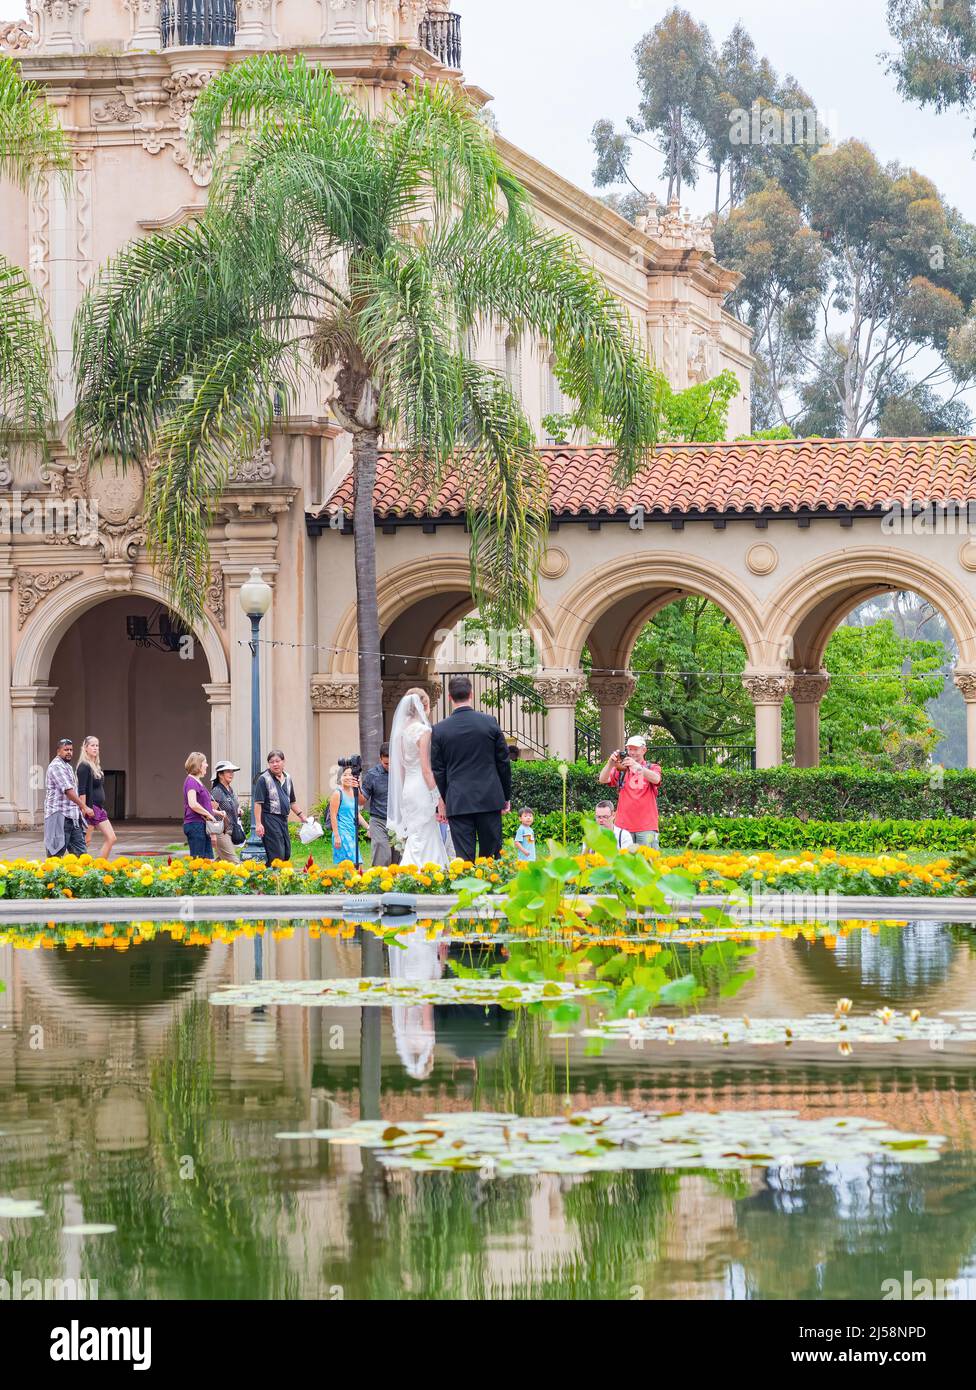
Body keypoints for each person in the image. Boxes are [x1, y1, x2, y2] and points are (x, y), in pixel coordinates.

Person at [430, 674, 511, 862]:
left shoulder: (440, 729)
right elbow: (503, 762)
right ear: (471, 694)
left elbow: (439, 770)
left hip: (458, 800)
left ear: (449, 697)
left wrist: (443, 799)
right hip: (489, 797)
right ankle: (490, 890)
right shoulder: (489, 722)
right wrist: (505, 796)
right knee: (491, 857)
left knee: (464, 858)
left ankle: (468, 888)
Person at [387, 688, 454, 867]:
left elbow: (400, 768)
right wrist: (438, 798)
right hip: (422, 787)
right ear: (424, 706)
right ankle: (426, 870)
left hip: (408, 787)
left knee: (416, 833)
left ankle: (413, 870)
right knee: (426, 831)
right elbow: (426, 769)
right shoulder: (423, 731)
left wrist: (401, 793)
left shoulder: (400, 731)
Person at [598, 734, 663, 847]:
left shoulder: (652, 767)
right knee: (623, 862)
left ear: (644, 750)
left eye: (635, 749)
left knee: (648, 861)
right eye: (629, 749)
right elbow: (603, 779)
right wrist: (610, 763)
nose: (632, 752)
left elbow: (656, 779)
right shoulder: (621, 770)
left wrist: (637, 767)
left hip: (647, 826)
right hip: (623, 826)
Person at [252, 749, 307, 865]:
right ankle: (274, 878)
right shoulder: (263, 779)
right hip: (269, 819)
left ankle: (269, 873)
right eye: (272, 762)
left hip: (283, 820)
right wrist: (258, 823)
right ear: (269, 764)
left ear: (283, 762)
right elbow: (258, 803)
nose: (275, 764)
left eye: (277, 761)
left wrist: (302, 816)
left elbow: (292, 802)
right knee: (277, 853)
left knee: (286, 852)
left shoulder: (288, 778)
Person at [44, 737, 94, 857]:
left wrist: (79, 812)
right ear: (58, 751)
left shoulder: (67, 766)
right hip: (58, 817)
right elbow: (68, 791)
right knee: (55, 856)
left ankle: (82, 875)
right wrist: (84, 807)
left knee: (82, 856)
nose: (69, 752)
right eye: (66, 750)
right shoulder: (56, 766)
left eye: (71, 750)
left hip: (72, 817)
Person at [76, 734, 117, 859]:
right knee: (85, 842)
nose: (95, 748)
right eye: (92, 745)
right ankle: (79, 869)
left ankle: (99, 867)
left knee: (111, 838)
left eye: (97, 745)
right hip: (91, 808)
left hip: (98, 808)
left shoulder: (95, 766)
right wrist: (84, 810)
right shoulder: (84, 766)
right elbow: (81, 790)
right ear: (85, 748)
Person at [361, 742, 399, 868]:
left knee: (397, 860)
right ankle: (378, 885)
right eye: (386, 763)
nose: (389, 766)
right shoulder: (372, 775)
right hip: (378, 821)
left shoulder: (401, 773)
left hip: (398, 821)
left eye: (391, 763)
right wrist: (356, 789)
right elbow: (362, 800)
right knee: (382, 856)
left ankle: (395, 887)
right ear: (380, 759)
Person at [183, 752, 222, 859]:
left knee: (206, 861)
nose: (207, 765)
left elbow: (203, 806)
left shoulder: (197, 781)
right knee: (199, 862)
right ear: (198, 765)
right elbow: (193, 804)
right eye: (205, 762)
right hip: (195, 825)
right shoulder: (191, 781)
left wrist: (217, 812)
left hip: (201, 825)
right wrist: (209, 815)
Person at [329, 764, 366, 864]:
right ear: (340, 778)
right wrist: (337, 836)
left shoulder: (354, 792)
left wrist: (368, 827)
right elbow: (333, 815)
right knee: (355, 862)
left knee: (346, 867)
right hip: (342, 833)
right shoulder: (337, 793)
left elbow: (356, 814)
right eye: (345, 775)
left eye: (350, 775)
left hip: (352, 833)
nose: (348, 777)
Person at [210, 760, 243, 863]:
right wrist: (213, 834)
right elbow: (210, 812)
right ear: (220, 774)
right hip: (221, 832)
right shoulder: (217, 791)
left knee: (220, 862)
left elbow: (229, 806)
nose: (231, 774)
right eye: (228, 771)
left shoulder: (230, 789)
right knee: (234, 862)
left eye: (232, 771)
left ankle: (204, 874)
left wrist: (238, 810)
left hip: (230, 831)